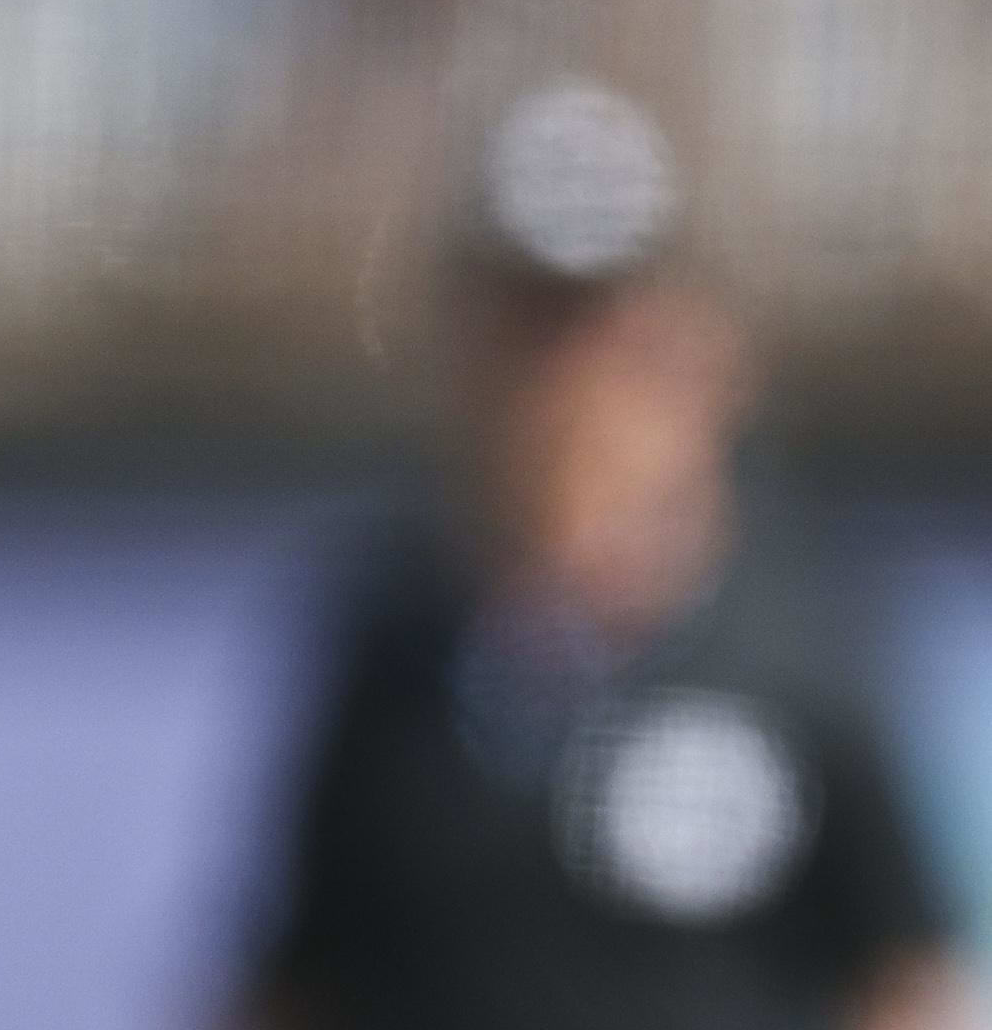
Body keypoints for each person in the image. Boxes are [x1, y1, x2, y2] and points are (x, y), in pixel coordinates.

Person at [241, 82, 966, 1030]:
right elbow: (299, 977)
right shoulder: (395, 641)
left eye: (597, 323)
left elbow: (908, 978)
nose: (564, 379)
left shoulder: (807, 633)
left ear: (703, 344)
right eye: (527, 327)